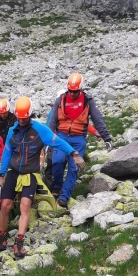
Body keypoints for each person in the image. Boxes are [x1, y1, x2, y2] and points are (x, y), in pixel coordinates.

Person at [0, 96, 85, 258]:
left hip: (30, 174)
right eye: (19, 118)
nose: (22, 121)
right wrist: (1, 174)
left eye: (25, 118)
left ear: (29, 115)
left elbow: (57, 142)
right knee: (5, 205)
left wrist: (74, 153)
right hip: (13, 172)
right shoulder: (12, 131)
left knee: (25, 205)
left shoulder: (39, 130)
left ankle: (19, 241)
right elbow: (7, 152)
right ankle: (2, 236)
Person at [48, 72, 112, 208]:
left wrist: (106, 137)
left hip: (78, 139)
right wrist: (48, 139)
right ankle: (57, 187)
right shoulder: (61, 100)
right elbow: (52, 121)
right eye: (70, 91)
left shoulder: (88, 101)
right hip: (61, 136)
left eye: (75, 91)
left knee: (74, 167)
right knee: (57, 161)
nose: (72, 94)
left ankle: (64, 196)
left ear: (81, 89)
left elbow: (97, 119)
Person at [0, 98, 17, 170]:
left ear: (8, 110)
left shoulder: (14, 119)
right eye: (1, 113)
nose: (2, 115)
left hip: (12, 146)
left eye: (4, 113)